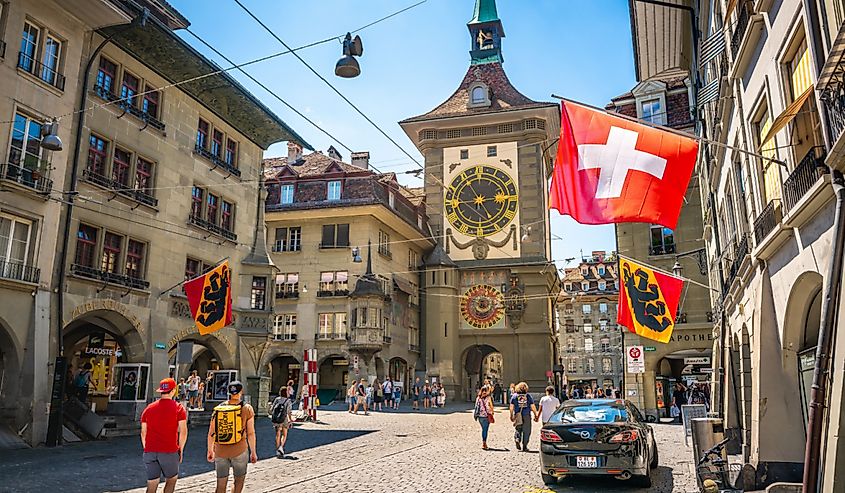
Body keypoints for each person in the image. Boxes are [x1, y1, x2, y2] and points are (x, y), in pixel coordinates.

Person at [207, 381, 257, 493]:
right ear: (241, 392)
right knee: (238, 481)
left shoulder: (219, 409)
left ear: (229, 392)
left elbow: (211, 432)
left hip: (221, 449)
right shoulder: (247, 408)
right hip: (240, 449)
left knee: (220, 483)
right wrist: (253, 451)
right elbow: (251, 433)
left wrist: (210, 450)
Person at [140, 378, 188, 493]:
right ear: (173, 391)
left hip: (150, 451)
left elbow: (143, 432)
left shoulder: (149, 408)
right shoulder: (179, 408)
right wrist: (180, 449)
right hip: (169, 451)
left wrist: (147, 448)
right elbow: (183, 431)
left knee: (152, 483)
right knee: (171, 481)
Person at [509, 382, 538, 452]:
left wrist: (511, 415)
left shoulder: (514, 396)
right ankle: (524, 446)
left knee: (518, 428)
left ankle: (517, 439)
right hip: (526, 415)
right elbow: (532, 406)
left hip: (518, 415)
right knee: (527, 430)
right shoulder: (527, 396)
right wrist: (535, 414)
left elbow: (511, 407)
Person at [269, 386, 293, 459]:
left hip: (276, 419)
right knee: (284, 434)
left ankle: (277, 450)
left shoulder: (277, 399)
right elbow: (289, 412)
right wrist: (290, 420)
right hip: (284, 419)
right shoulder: (288, 401)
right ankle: (281, 447)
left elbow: (271, 409)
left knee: (277, 434)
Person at [474, 385, 495, 450]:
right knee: (485, 430)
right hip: (486, 416)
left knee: (483, 429)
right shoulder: (488, 398)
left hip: (480, 416)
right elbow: (491, 406)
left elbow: (476, 407)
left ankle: (484, 442)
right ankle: (484, 443)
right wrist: (492, 412)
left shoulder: (478, 398)